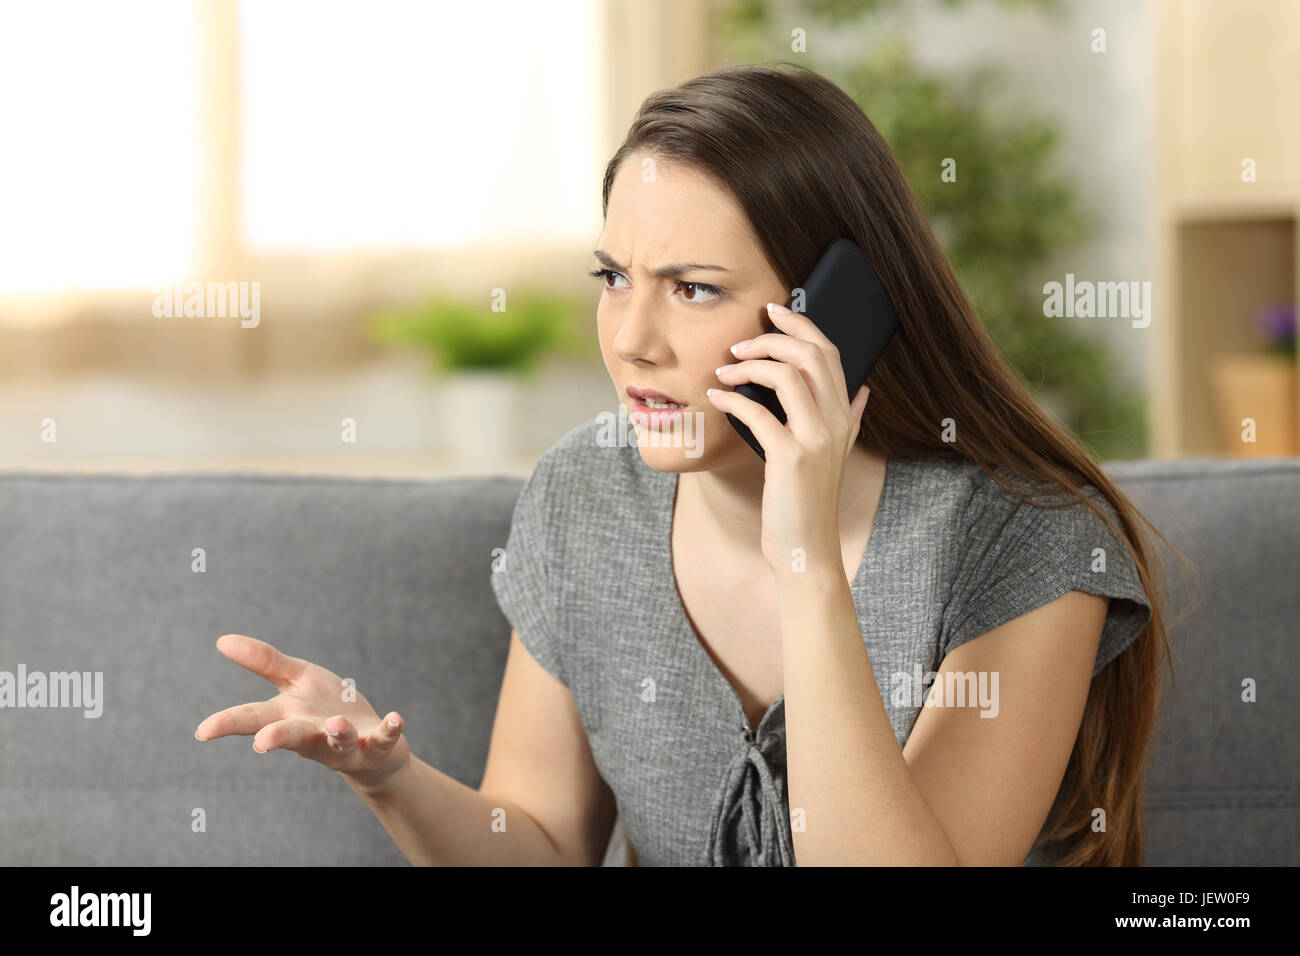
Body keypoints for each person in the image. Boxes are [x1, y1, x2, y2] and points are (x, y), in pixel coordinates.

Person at [196, 62, 1187, 866]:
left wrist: (805, 560)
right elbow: (539, 844)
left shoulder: (1022, 541)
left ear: (838, 312)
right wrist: (391, 777)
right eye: (614, 277)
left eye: (694, 289)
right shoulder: (586, 497)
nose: (630, 339)